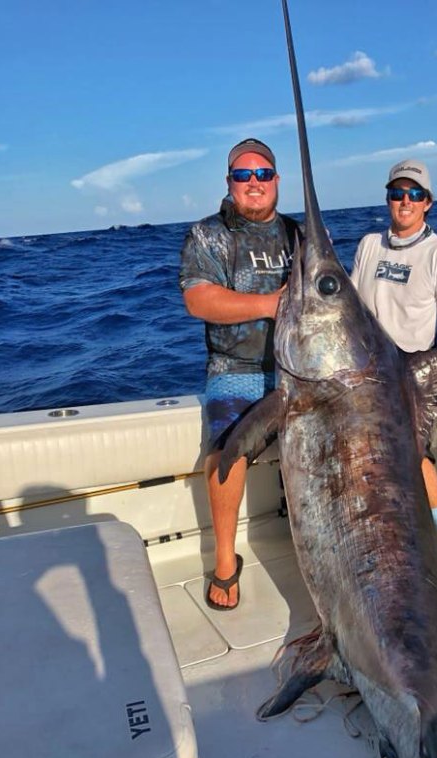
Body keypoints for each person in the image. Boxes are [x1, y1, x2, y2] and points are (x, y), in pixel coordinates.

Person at [179, 138, 299, 609]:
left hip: (299, 369)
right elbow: (198, 299)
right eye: (243, 175)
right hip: (237, 367)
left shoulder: (298, 234)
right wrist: (271, 305)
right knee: (228, 451)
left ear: (276, 180)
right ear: (230, 183)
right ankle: (226, 562)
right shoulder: (208, 235)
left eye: (262, 174)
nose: (254, 184)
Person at [351, 159, 437, 583]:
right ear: (388, 199)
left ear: (428, 204)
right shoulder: (369, 245)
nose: (405, 201)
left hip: (412, 372)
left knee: (411, 450)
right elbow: (351, 310)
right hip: (365, 371)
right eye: (398, 193)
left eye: (415, 194)